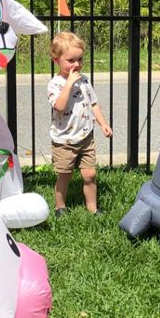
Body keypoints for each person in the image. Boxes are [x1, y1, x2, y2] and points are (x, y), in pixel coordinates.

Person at [47, 32, 113, 214]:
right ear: (56, 60)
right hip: (64, 140)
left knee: (90, 174)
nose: (76, 64)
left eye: (80, 59)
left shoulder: (84, 80)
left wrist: (103, 124)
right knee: (65, 175)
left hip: (85, 137)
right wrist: (69, 84)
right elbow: (59, 106)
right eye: (71, 60)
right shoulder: (55, 84)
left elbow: (93, 103)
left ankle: (92, 208)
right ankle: (60, 206)